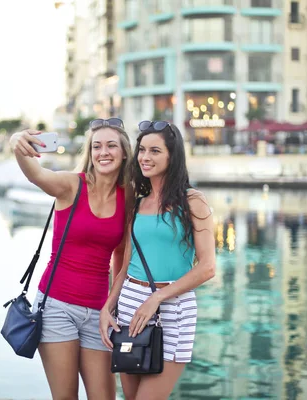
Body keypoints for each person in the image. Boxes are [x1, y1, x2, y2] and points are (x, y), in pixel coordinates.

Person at [9, 118, 133, 400]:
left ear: (124, 152)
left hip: (99, 314)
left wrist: (111, 305)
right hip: (57, 307)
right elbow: (35, 174)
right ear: (89, 153)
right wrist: (17, 143)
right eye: (96, 146)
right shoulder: (70, 185)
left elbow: (121, 257)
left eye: (111, 145)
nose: (103, 152)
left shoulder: (129, 198)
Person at [99, 120, 216, 400]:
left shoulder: (193, 201)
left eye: (154, 151)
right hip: (128, 309)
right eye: (142, 150)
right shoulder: (137, 203)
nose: (145, 157)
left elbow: (207, 267)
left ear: (171, 157)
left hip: (172, 310)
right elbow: (125, 265)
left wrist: (156, 298)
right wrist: (107, 307)